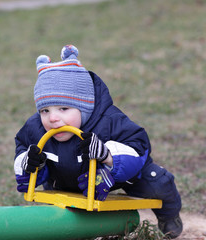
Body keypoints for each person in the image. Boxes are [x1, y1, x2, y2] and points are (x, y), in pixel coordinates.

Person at [13, 45, 183, 238]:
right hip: (63, 179)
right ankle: (74, 226)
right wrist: (30, 163)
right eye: (45, 110)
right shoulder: (35, 128)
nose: (52, 118)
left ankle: (169, 216)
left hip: (115, 176)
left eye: (63, 108)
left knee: (157, 182)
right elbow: (21, 149)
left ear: (84, 106)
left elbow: (138, 146)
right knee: (62, 206)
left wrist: (107, 155)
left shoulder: (108, 121)